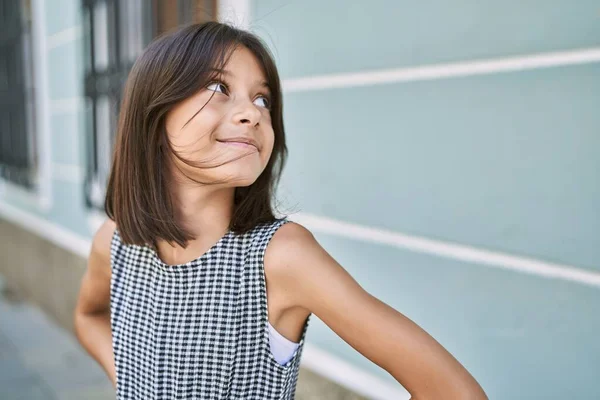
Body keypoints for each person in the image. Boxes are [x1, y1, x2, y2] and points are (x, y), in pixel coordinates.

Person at [73, 21, 488, 400]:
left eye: (263, 99)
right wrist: (134, 379)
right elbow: (88, 317)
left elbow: (455, 392)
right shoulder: (115, 242)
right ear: (155, 113)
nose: (252, 113)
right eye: (218, 88)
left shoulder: (279, 257)